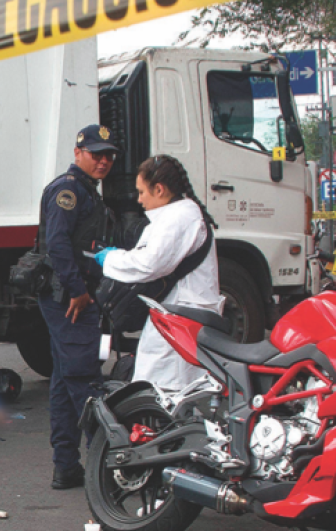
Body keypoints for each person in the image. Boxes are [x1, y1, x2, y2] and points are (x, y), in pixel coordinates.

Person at [95, 154, 222, 391]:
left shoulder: (180, 217)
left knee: (168, 389)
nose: (139, 199)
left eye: (142, 192)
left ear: (160, 189)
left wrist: (111, 259)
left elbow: (149, 264)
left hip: (183, 316)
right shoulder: (177, 214)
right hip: (179, 313)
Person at [37, 125, 118, 490]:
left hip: (69, 296)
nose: (103, 161)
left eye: (108, 155)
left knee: (63, 380)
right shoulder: (69, 191)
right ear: (77, 152)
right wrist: (77, 291)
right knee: (85, 379)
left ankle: (66, 465)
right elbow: (56, 244)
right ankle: (106, 467)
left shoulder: (85, 190)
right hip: (69, 299)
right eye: (96, 153)